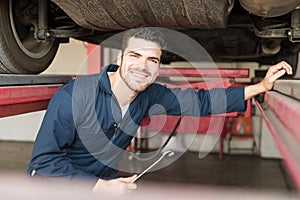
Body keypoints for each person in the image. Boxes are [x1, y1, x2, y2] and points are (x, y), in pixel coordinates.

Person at [27, 27, 293, 195]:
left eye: (151, 60)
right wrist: (98, 186)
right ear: (119, 60)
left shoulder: (150, 94)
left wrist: (259, 86)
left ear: (157, 68)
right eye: (135, 56)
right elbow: (42, 165)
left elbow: (200, 102)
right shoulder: (75, 96)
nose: (143, 66)